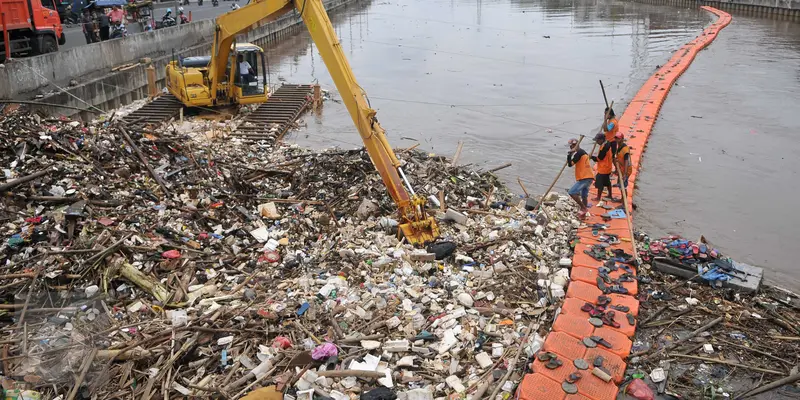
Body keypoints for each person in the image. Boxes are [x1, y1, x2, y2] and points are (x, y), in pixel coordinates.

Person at [567, 138, 594, 218]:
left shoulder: (579, 153)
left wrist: (569, 155)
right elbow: (572, 163)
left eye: (571, 146)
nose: (570, 147)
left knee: (572, 192)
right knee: (584, 196)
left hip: (584, 178)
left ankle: (583, 208)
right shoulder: (582, 152)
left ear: (574, 145)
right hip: (589, 177)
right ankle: (583, 214)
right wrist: (571, 154)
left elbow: (570, 164)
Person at [591, 132, 614, 202]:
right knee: (607, 182)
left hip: (604, 168)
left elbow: (599, 158)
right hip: (608, 166)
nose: (597, 142)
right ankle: (610, 195)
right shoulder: (607, 143)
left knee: (600, 183)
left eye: (597, 140)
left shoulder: (605, 147)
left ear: (601, 139)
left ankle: (598, 197)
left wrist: (591, 157)